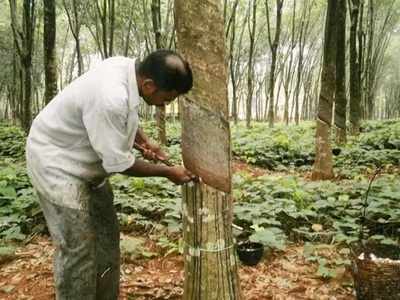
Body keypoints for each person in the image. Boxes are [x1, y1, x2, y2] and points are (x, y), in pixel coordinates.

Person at [26, 49, 196, 299]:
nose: (165, 105)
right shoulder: (110, 97)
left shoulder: (127, 69)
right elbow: (120, 164)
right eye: (167, 98)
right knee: (78, 247)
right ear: (149, 85)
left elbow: (125, 116)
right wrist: (167, 172)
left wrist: (144, 141)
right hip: (56, 164)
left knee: (106, 238)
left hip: (87, 164)